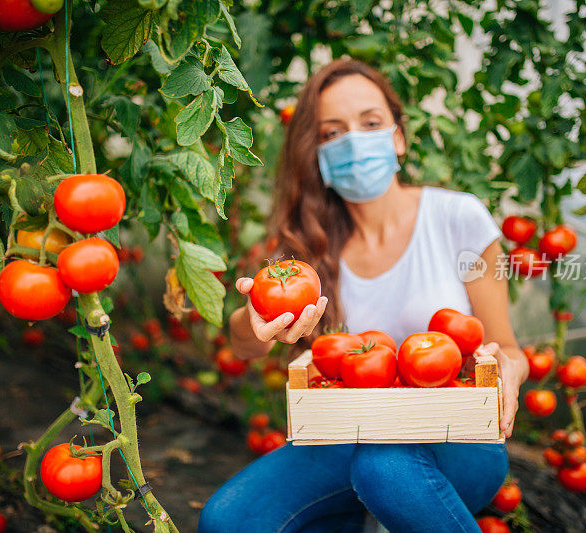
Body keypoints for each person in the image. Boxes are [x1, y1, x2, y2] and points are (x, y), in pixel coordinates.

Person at [198, 59, 529, 533]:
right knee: (228, 520)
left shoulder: (461, 219)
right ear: (316, 154)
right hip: (350, 435)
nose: (354, 140)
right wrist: (253, 321)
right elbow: (244, 345)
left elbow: (509, 349)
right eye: (333, 132)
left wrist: (509, 376)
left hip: (457, 434)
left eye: (370, 123)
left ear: (398, 137)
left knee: (385, 468)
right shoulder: (309, 252)